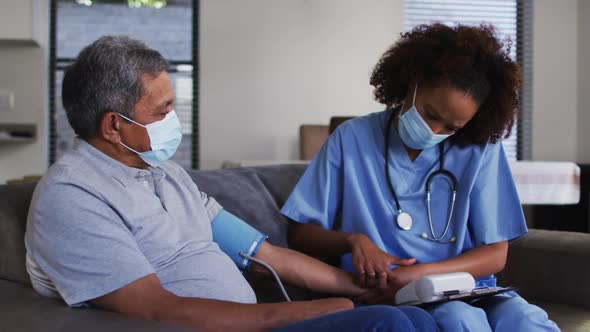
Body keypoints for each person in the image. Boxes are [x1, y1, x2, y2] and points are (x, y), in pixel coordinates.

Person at [24, 36, 438, 332]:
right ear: (114, 125)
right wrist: (310, 312)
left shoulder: (165, 174)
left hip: (256, 321)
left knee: (416, 317)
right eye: (163, 110)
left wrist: (365, 290)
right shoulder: (73, 197)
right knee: (390, 325)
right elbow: (153, 309)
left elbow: (267, 255)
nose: (174, 120)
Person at [281, 23, 560, 331]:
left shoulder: (481, 148)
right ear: (414, 79)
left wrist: (420, 273)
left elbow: (495, 254)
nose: (435, 132)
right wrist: (353, 240)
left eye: (451, 128)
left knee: (527, 320)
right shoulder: (351, 140)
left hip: (468, 287)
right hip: (399, 298)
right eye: (430, 114)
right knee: (460, 320)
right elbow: (300, 233)